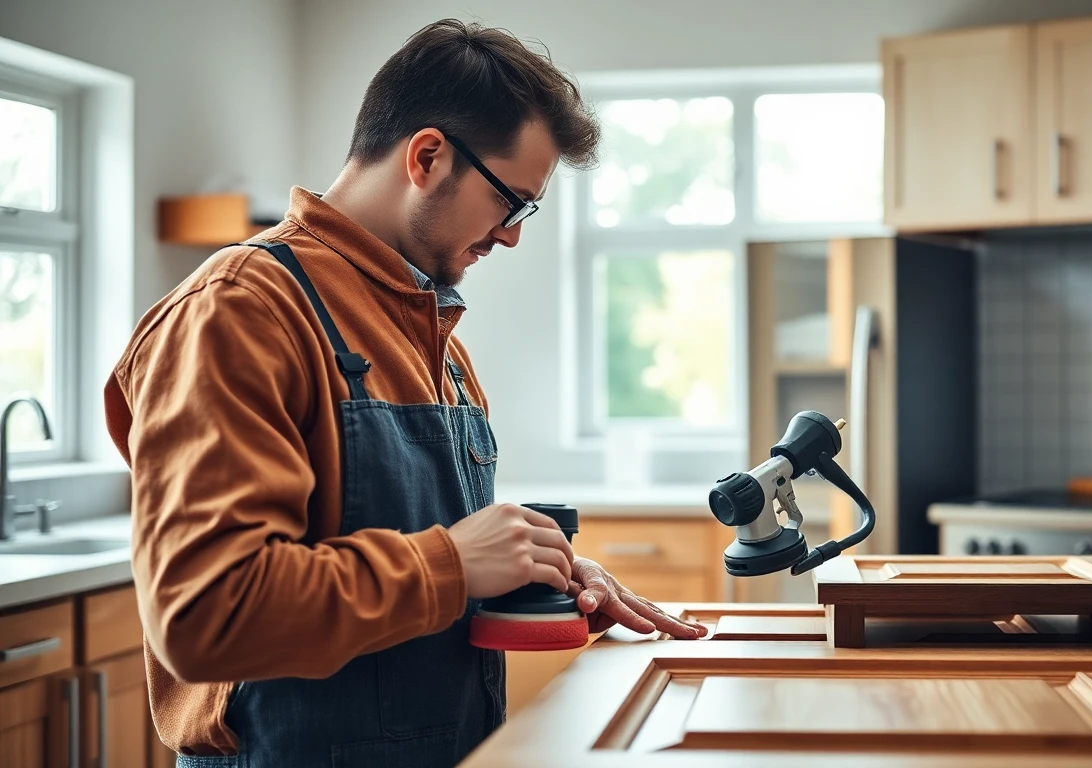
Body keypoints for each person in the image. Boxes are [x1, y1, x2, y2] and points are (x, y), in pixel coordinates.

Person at [104, 19, 707, 768]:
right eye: (512, 203)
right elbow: (206, 615)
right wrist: (453, 563)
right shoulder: (239, 311)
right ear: (427, 156)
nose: (512, 235)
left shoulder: (436, 341)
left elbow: (427, 567)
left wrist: (535, 574)